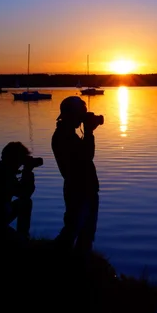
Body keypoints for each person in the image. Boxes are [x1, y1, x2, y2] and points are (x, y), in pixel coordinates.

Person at [51, 96, 101, 253]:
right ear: (70, 114)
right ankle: (58, 259)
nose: (82, 117)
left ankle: (79, 265)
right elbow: (86, 156)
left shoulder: (67, 134)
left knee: (84, 232)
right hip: (79, 189)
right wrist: (89, 132)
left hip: (84, 188)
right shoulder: (63, 136)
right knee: (73, 230)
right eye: (81, 114)